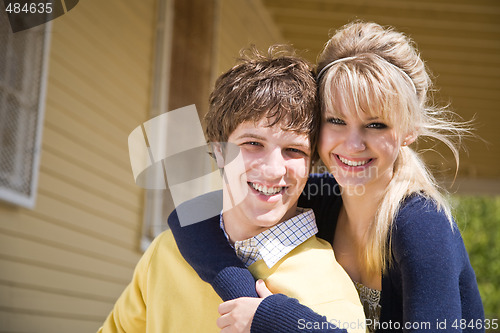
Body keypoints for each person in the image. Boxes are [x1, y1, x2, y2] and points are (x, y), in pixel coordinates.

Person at [167, 21, 485, 332]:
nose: (352, 144)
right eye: (336, 120)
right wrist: (245, 293)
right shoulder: (322, 196)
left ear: (409, 131)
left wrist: (274, 320)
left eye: (376, 124)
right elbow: (188, 217)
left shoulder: (422, 225)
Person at [98, 45, 366, 333]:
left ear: (311, 163)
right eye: (253, 143)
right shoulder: (165, 252)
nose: (273, 169)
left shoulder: (330, 292)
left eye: (293, 150)